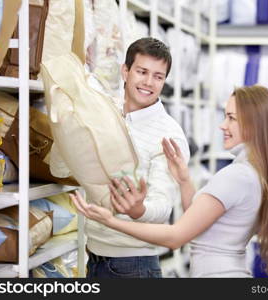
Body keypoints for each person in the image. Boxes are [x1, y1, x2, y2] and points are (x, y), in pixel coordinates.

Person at [71, 85, 268, 277]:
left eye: (231, 118)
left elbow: (176, 237)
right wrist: (184, 180)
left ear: (253, 124)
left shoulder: (236, 176)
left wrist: (111, 221)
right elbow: (199, 223)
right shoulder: (254, 173)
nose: (222, 125)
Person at [82, 37, 190, 278]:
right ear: (125, 71)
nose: (149, 82)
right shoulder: (108, 115)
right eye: (142, 72)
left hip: (134, 266)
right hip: (95, 258)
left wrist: (138, 209)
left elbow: (163, 206)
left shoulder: (169, 135)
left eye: (158, 76)